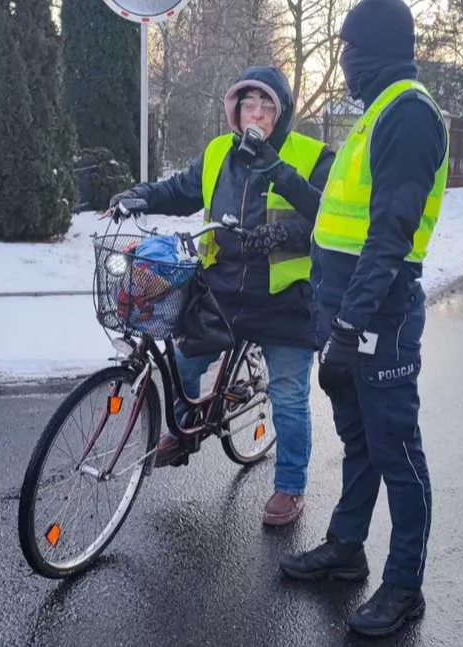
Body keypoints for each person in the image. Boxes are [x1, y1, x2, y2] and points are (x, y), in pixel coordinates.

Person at [277, 0, 449, 638]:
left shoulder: (408, 115)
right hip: (343, 310)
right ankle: (347, 548)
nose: (342, 62)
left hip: (378, 313)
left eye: (349, 50)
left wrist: (350, 326)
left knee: (397, 449)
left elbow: (391, 235)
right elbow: (339, 215)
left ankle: (404, 585)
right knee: (359, 440)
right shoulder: (377, 114)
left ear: (376, 49)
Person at [109, 66, 335, 527]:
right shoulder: (218, 153)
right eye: (248, 104)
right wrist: (139, 196)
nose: (257, 114)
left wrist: (281, 229)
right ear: (234, 110)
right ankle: (185, 431)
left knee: (288, 396)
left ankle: (290, 488)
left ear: (282, 111)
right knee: (183, 360)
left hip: (285, 301)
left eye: (267, 106)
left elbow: (330, 216)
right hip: (222, 290)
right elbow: (181, 190)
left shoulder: (310, 155)